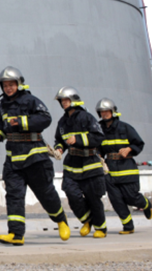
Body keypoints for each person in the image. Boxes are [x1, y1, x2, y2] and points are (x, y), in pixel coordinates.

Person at [0, 67, 70, 246]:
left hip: (35, 157)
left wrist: (21, 122)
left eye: (12, 84)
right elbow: (1, 123)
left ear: (19, 84)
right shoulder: (3, 105)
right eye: (5, 85)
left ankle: (61, 220)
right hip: (13, 159)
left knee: (45, 193)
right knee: (14, 196)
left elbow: (45, 118)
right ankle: (16, 234)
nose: (8, 88)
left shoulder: (31, 100)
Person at [53, 87, 107, 238]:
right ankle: (87, 220)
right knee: (72, 194)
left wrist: (78, 139)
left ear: (74, 100)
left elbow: (98, 137)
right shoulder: (62, 122)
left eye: (66, 100)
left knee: (93, 198)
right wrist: (58, 149)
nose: (63, 103)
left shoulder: (87, 117)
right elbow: (60, 140)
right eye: (62, 101)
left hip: (90, 163)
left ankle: (101, 228)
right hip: (72, 164)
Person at [94, 98, 152, 235]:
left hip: (126, 168)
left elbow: (139, 143)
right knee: (116, 200)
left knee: (131, 197)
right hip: (110, 170)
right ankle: (128, 226)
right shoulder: (98, 129)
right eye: (102, 112)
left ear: (113, 111)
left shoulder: (125, 128)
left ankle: (145, 204)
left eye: (107, 111)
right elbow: (98, 147)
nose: (105, 114)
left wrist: (129, 149)